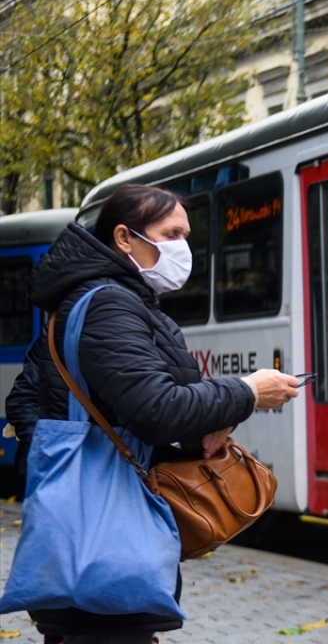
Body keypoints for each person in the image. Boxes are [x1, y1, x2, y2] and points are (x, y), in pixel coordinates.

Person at [2, 185, 298, 644]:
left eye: (186, 234)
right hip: (106, 557)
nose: (184, 247)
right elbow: (156, 409)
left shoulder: (85, 302)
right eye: (172, 233)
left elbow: (27, 399)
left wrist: (69, 455)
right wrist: (246, 391)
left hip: (82, 547)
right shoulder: (111, 303)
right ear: (124, 237)